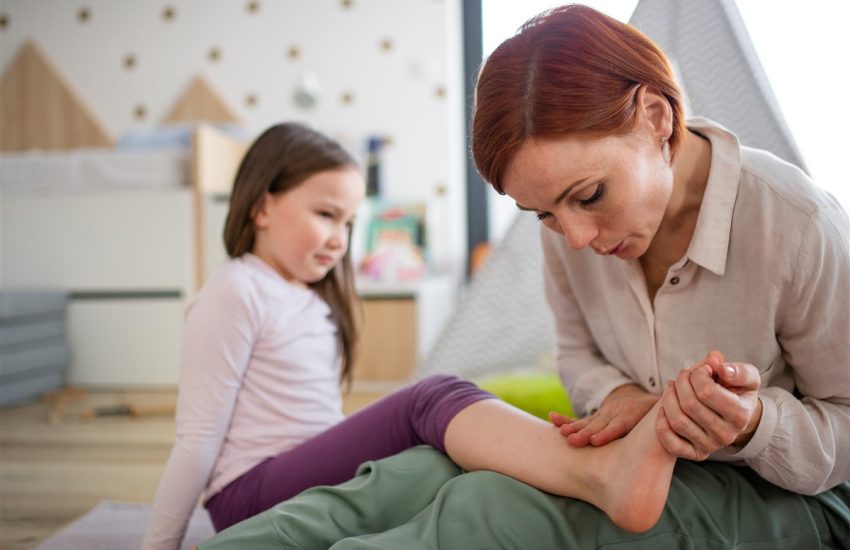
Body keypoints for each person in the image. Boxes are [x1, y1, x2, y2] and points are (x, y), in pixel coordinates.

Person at [192, 5, 849, 549]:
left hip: (792, 495)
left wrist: (750, 423)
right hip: (633, 463)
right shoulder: (567, 226)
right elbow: (576, 355)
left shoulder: (798, 225)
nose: (577, 238)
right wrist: (618, 393)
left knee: (491, 509)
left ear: (656, 118)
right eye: (542, 214)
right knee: (417, 473)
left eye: (590, 195)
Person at [143, 121, 697, 550]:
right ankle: (597, 472)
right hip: (248, 495)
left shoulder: (308, 298)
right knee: (429, 399)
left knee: (439, 463)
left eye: (349, 223)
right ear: (263, 206)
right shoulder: (236, 290)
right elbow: (196, 439)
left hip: (294, 481)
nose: (339, 238)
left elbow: (311, 425)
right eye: (325, 214)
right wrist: (158, 543)